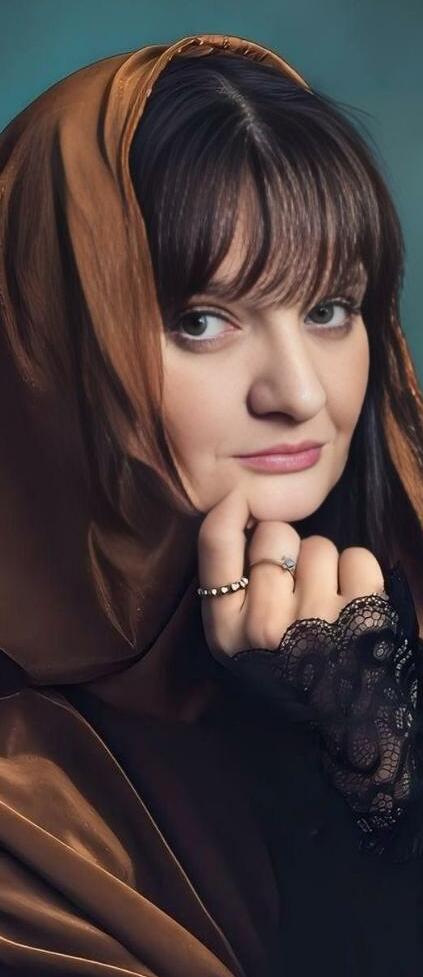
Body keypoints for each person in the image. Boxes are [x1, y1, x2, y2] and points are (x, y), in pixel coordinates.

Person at [0, 29, 422, 977]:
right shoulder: (26, 802)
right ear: (51, 343)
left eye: (329, 309)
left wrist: (373, 758)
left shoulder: (389, 648)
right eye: (202, 321)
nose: (298, 393)